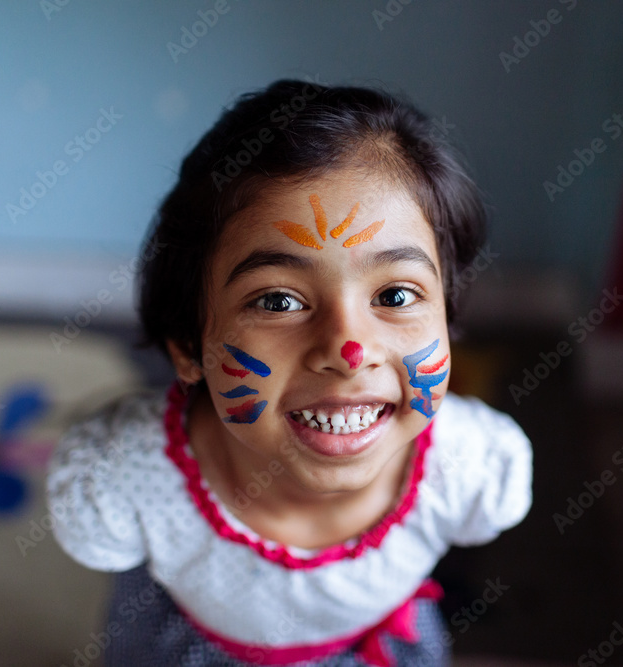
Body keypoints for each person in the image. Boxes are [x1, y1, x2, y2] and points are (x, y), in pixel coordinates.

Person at [48, 79, 532, 666]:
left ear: (448, 315)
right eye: (279, 301)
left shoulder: (468, 464)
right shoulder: (128, 472)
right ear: (187, 346)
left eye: (398, 295)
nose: (349, 350)